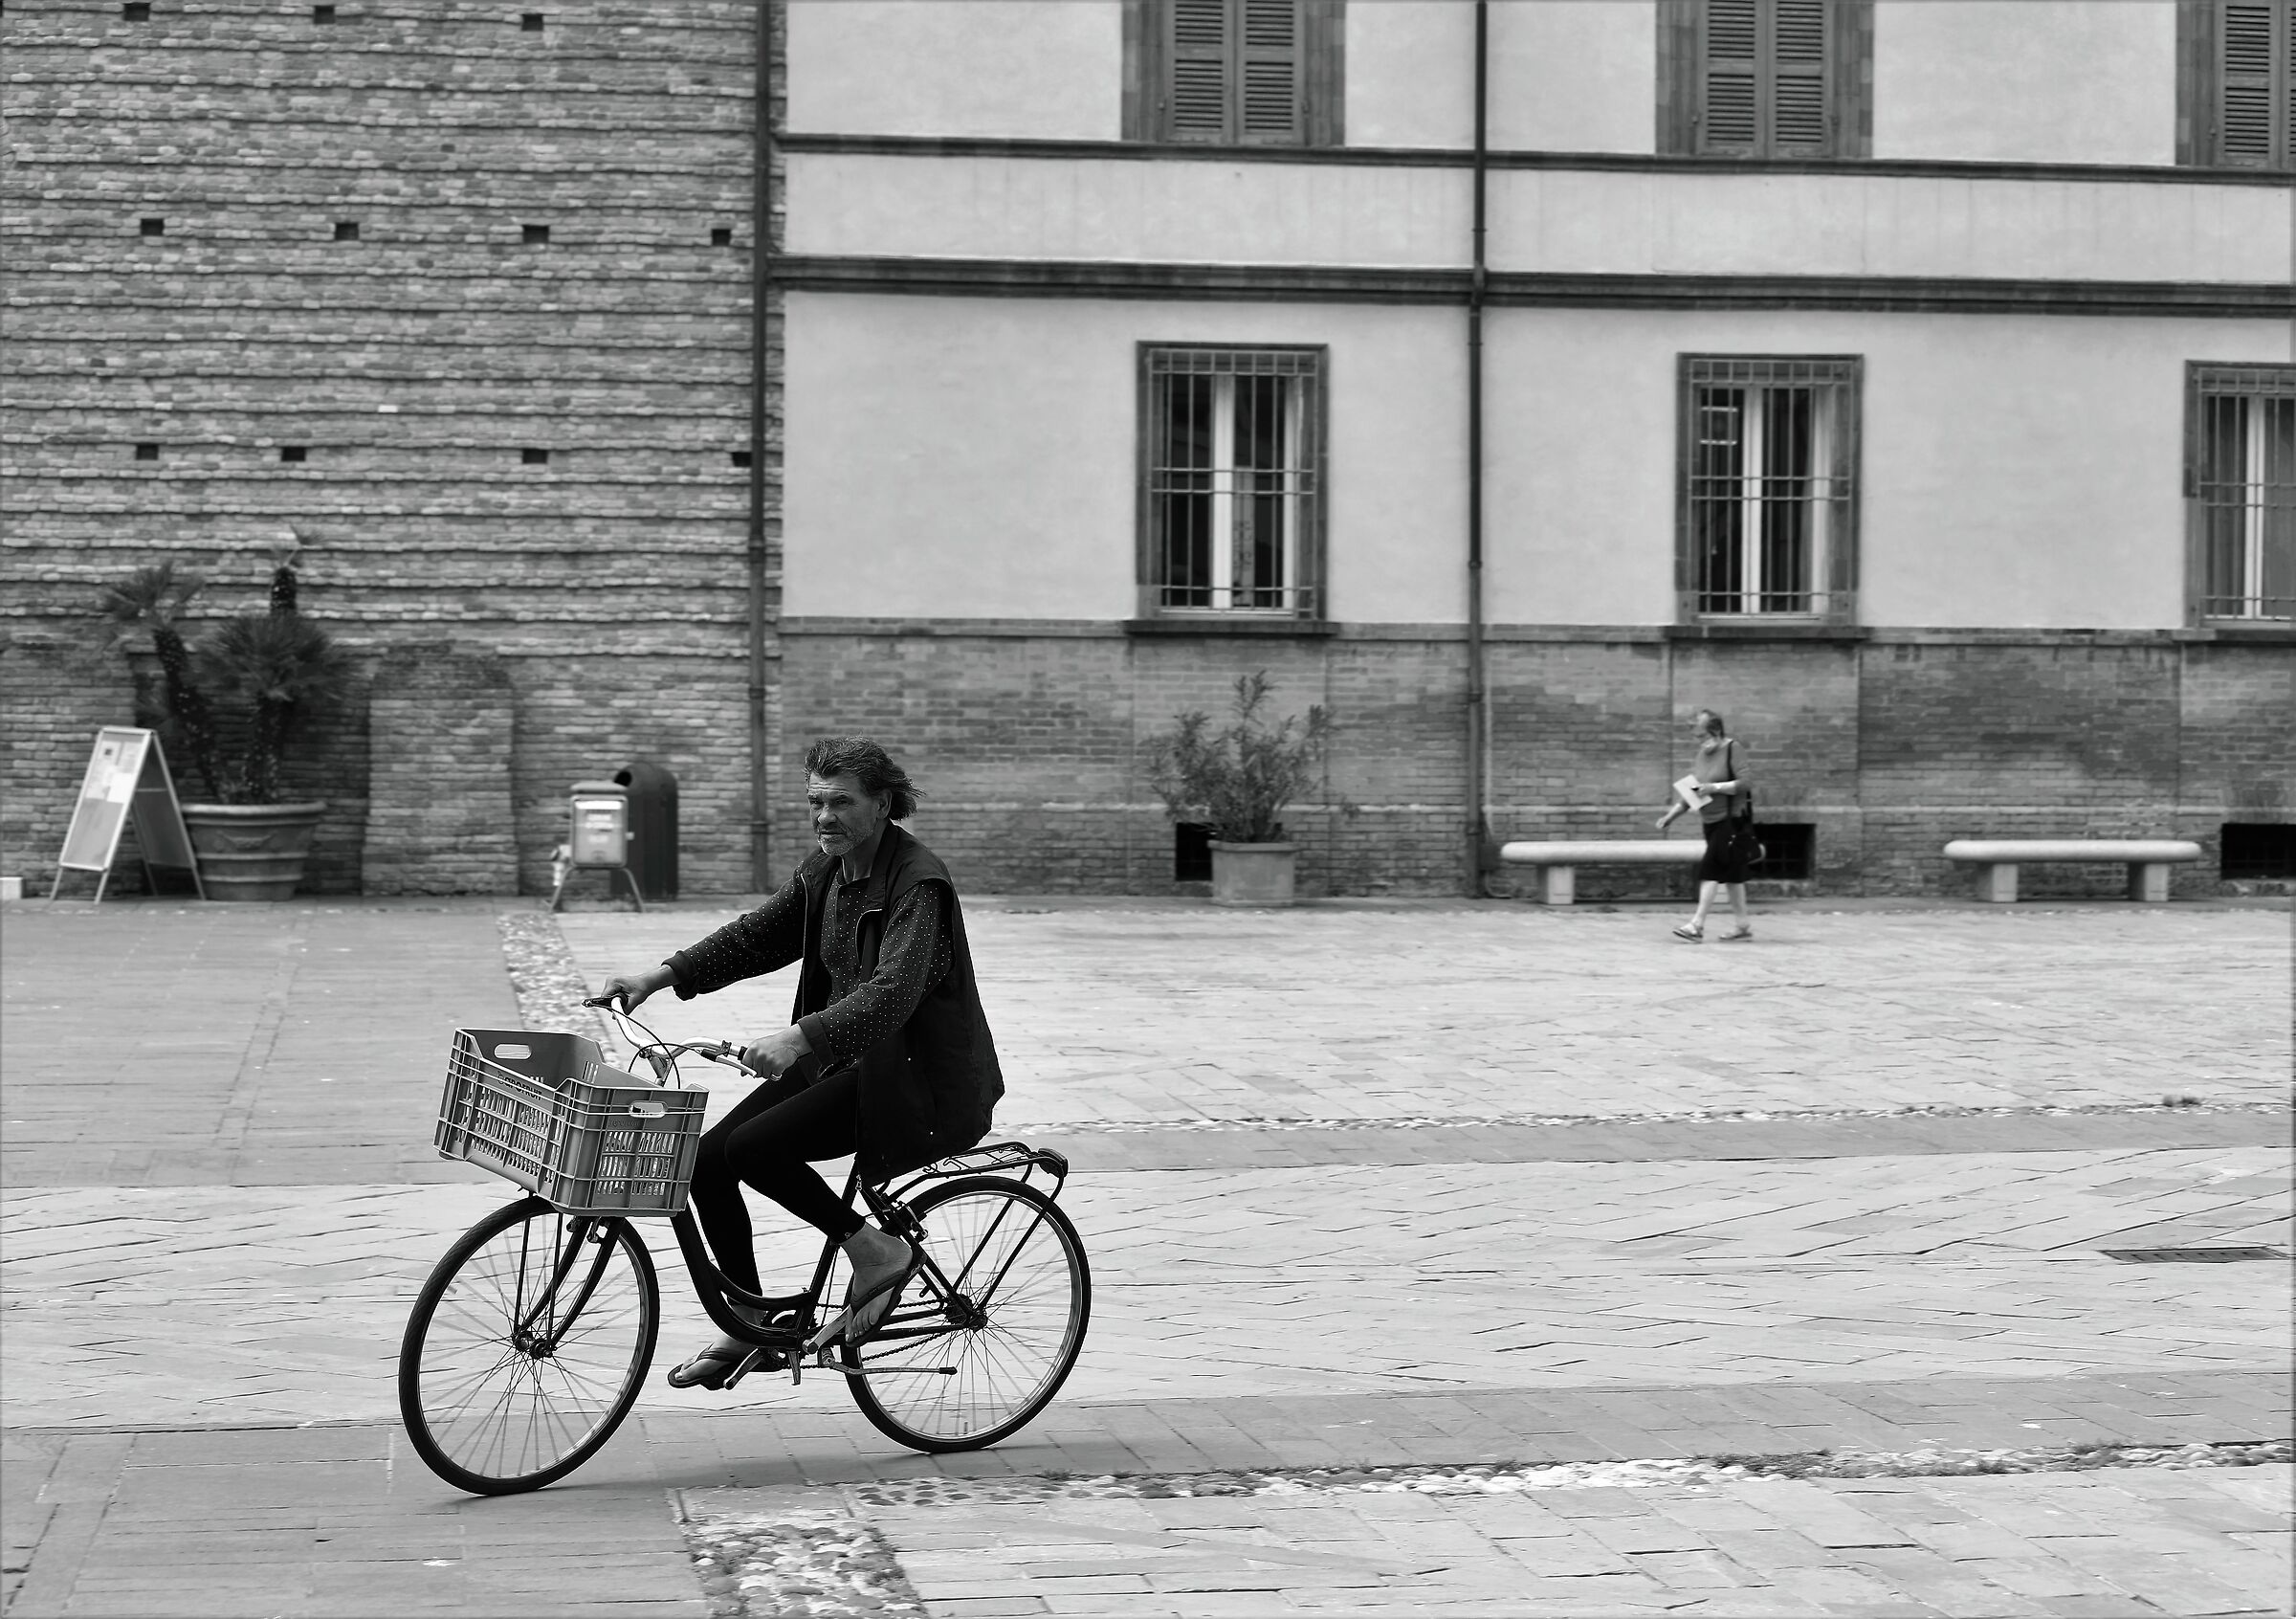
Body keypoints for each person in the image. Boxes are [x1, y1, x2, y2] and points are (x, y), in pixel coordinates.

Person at [599, 737, 1004, 1389]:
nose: (824, 817)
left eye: (841, 803)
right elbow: (759, 934)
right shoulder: (826, 871)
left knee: (755, 1149)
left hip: (905, 1077)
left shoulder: (917, 882)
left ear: (883, 804)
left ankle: (875, 1250)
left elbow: (893, 992)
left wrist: (796, 1037)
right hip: (842, 1060)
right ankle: (748, 1325)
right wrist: (660, 975)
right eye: (815, 802)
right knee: (704, 1160)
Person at [1655, 708, 1755, 943]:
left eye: (1702, 736)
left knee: (1710, 869)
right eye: (1696, 737)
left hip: (1732, 820)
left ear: (1716, 731)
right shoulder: (1702, 755)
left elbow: (1746, 783)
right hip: (1710, 821)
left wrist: (1714, 788)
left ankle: (1697, 925)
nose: (1699, 742)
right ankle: (1742, 925)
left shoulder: (1733, 748)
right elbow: (1694, 789)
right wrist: (1671, 816)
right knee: (1733, 875)